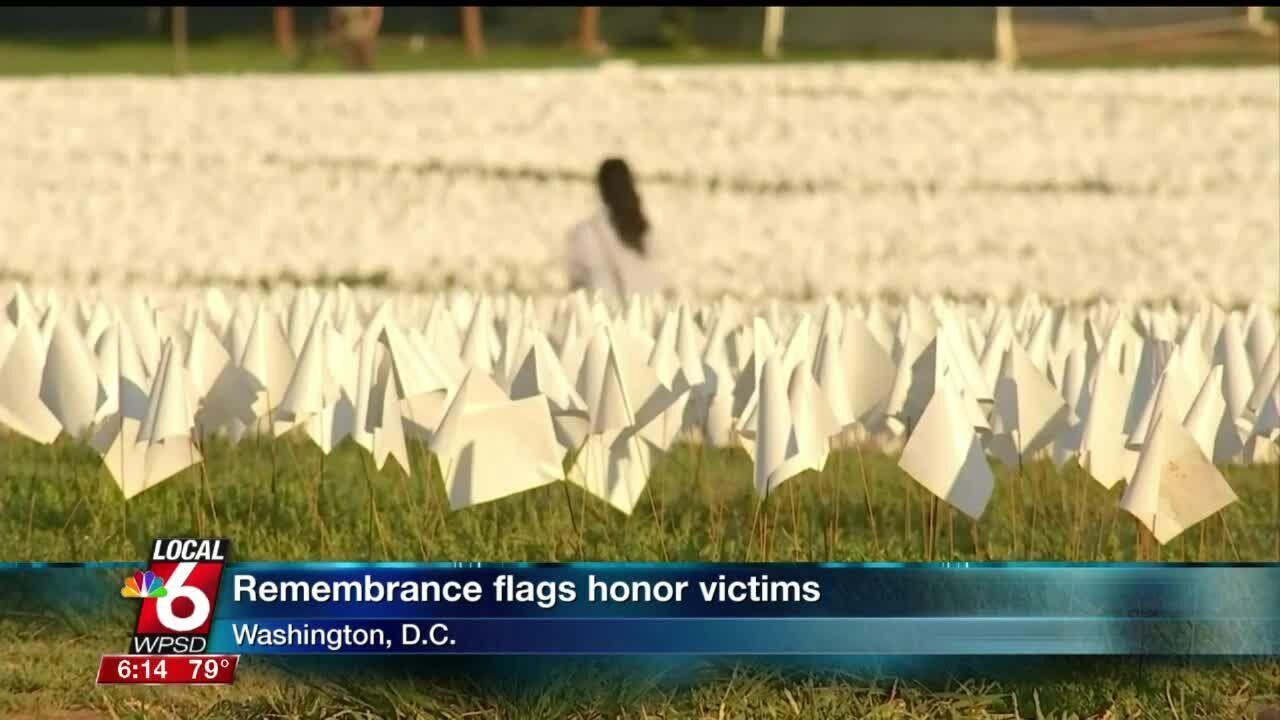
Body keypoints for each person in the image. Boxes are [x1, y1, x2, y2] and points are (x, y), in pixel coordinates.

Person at [567, 158, 664, 302]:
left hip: (611, 317)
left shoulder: (585, 233)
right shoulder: (648, 230)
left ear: (601, 189)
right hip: (634, 317)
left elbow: (577, 284)